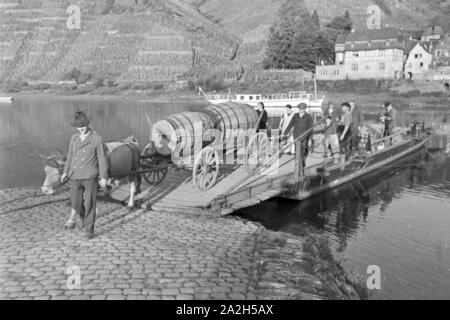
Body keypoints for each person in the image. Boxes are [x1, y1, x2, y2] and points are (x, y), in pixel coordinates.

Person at [61, 111, 108, 240]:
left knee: (90, 203)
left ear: (87, 124)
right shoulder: (74, 138)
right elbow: (70, 155)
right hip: (74, 175)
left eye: (83, 125)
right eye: (78, 126)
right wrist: (65, 171)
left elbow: (101, 158)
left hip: (89, 176)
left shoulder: (96, 139)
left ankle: (89, 229)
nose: (81, 128)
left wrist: (103, 177)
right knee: (75, 203)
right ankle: (84, 219)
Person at [282, 103, 313, 167]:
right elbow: (290, 125)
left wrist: (310, 139)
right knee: (297, 150)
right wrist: (284, 133)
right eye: (299, 109)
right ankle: (299, 163)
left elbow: (310, 129)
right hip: (296, 135)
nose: (300, 110)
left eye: (302, 109)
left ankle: (301, 162)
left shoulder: (308, 116)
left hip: (304, 136)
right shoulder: (295, 115)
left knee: (303, 150)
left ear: (305, 109)